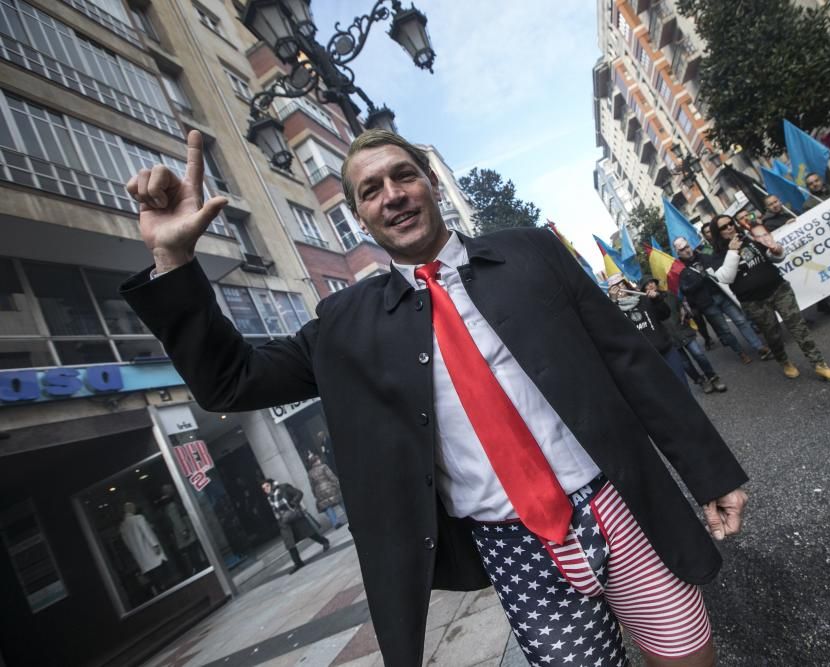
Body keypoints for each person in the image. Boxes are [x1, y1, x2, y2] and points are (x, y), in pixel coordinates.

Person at [120, 129, 748, 667]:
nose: (392, 194)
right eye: (371, 190)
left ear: (430, 183)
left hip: (615, 502)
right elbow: (232, 381)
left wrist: (709, 472)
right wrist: (173, 260)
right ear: (360, 217)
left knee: (685, 649)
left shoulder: (531, 252)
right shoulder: (343, 324)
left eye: (403, 176)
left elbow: (631, 362)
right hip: (513, 546)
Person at [708, 214, 830, 382]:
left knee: (798, 328)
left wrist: (778, 251)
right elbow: (725, 277)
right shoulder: (716, 256)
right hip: (754, 302)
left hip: (779, 290)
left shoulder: (750, 239)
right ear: (717, 233)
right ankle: (784, 360)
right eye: (723, 227)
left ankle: (820, 365)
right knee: (773, 335)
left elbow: (774, 257)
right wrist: (733, 251)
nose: (729, 227)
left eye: (730, 223)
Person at [673, 237, 771, 364]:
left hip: (722, 295)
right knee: (724, 330)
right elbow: (685, 289)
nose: (686, 250)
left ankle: (759, 347)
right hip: (707, 304)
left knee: (741, 320)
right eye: (682, 249)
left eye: (687, 247)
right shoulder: (680, 269)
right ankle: (740, 352)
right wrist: (699, 280)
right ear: (678, 252)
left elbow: (722, 267)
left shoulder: (705, 256)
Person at [639, 275, 726, 394]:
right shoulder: (645, 304)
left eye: (652, 282)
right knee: (685, 364)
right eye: (646, 284)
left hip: (683, 330)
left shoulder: (668, 294)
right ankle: (700, 381)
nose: (650, 285)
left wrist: (684, 312)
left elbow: (681, 305)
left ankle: (713, 377)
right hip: (669, 338)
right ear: (643, 289)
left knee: (699, 354)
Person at [606, 273, 689, 391]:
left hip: (666, 351)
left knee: (683, 386)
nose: (619, 289)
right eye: (614, 287)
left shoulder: (643, 299)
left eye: (621, 284)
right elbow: (612, 331)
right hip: (645, 360)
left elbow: (665, 315)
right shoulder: (614, 311)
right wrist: (613, 302)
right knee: (665, 391)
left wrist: (657, 300)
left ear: (626, 285)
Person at [262, 478, 330, 574]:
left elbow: (299, 493)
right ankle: (298, 563)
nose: (266, 489)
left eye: (267, 486)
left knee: (309, 533)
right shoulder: (270, 497)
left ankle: (324, 541)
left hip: (295, 516)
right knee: (290, 543)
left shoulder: (284, 487)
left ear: (272, 484)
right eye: (264, 488)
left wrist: (294, 503)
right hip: (284, 521)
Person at [306, 451, 346, 530]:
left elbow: (312, 485)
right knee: (341, 501)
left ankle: (335, 523)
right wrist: (338, 484)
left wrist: (315, 494)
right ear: (316, 461)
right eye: (318, 459)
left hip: (319, 492)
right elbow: (331, 477)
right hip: (330, 487)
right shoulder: (324, 467)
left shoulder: (310, 473)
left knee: (328, 507)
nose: (319, 460)